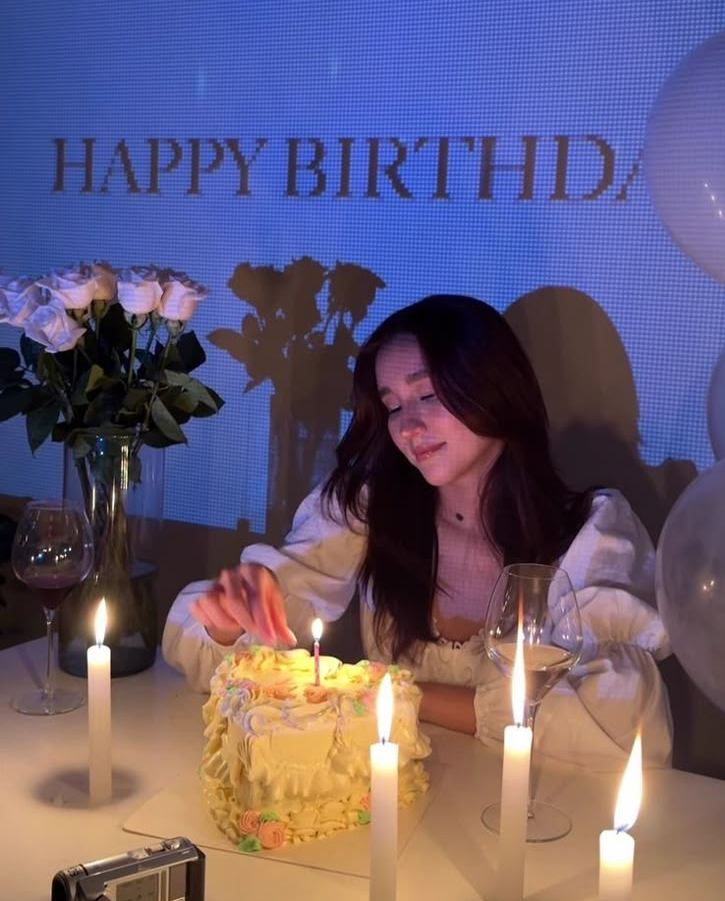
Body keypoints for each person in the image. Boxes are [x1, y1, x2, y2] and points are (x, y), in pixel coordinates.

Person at [163, 294, 673, 769]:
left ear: (494, 387)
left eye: (428, 393)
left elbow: (614, 724)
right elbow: (220, 655)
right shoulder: (368, 507)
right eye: (393, 406)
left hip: (537, 817)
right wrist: (232, 619)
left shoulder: (591, 532)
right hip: (397, 804)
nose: (408, 426)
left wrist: (386, 691)